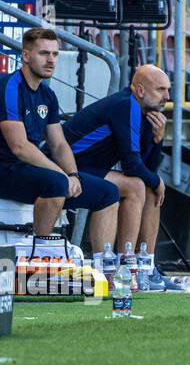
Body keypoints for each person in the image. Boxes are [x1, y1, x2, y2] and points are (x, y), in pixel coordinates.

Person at [60, 65, 179, 290]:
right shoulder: (126, 105)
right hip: (66, 166)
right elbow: (132, 165)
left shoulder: (144, 112)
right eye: (161, 89)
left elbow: (146, 167)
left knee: (147, 187)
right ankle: (127, 267)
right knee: (136, 186)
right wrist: (157, 181)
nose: (167, 97)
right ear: (141, 90)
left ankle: (147, 267)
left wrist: (157, 139)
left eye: (168, 90)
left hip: (89, 166)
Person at [0, 28, 120, 240]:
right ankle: (40, 253)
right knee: (56, 183)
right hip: (5, 168)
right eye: (44, 53)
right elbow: (20, 147)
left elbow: (59, 145)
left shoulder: (47, 94)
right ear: (26, 56)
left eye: (55, 54)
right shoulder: (10, 87)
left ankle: (105, 267)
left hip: (26, 169)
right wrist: (62, 175)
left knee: (108, 193)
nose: (51, 60)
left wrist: (73, 175)